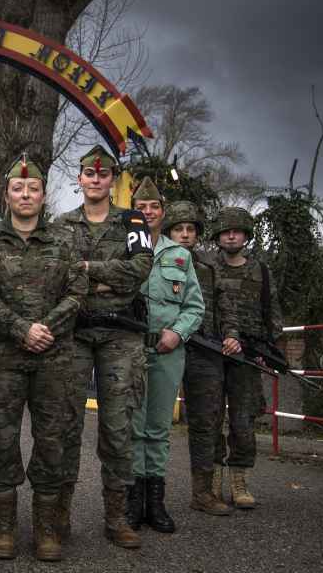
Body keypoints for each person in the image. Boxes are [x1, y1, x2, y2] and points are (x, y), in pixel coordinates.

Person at [0, 155, 88, 562]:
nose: (26, 195)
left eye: (33, 189)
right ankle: (5, 528)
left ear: (44, 196)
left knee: (52, 443)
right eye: (18, 189)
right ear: (6, 195)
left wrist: (44, 327)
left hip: (54, 358)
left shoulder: (64, 240)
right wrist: (19, 328)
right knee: (2, 440)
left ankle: (45, 529)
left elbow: (78, 293)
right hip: (1, 357)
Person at [56, 144, 152, 549]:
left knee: (118, 429)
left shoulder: (133, 220)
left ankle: (117, 517)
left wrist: (90, 270)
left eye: (103, 174)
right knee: (65, 426)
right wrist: (109, 279)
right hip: (75, 332)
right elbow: (57, 273)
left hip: (120, 334)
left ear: (113, 179)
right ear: (79, 178)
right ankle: (57, 517)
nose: (95, 180)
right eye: (88, 174)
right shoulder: (60, 225)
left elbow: (141, 269)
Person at [126, 178, 204, 533]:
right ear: (133, 210)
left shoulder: (180, 256)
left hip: (168, 350)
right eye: (141, 207)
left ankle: (154, 503)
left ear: (162, 211)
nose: (148, 212)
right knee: (131, 427)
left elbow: (194, 306)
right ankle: (132, 502)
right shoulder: (121, 248)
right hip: (130, 349)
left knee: (157, 428)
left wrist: (178, 332)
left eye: (154, 207)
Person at [163, 200, 240, 517]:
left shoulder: (209, 270)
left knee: (207, 422)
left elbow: (226, 307)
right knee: (147, 421)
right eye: (178, 229)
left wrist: (232, 334)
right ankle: (141, 495)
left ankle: (203, 492)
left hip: (203, 351)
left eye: (190, 229)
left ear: (197, 234)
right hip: (164, 345)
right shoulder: (155, 262)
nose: (184, 234)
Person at [211, 206, 283, 509]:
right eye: (226, 231)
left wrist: (268, 350)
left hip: (248, 358)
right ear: (217, 235)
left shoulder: (261, 271)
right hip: (211, 352)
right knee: (209, 418)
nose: (231, 235)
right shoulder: (206, 267)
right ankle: (211, 478)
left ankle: (239, 481)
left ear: (245, 236)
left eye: (236, 231)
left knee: (243, 420)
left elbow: (273, 316)